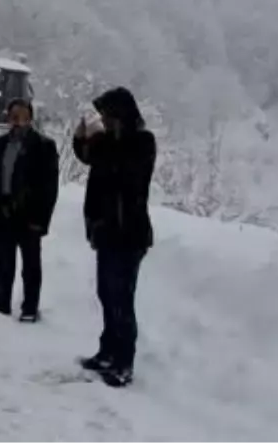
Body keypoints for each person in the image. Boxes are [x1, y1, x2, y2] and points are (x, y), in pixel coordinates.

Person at [72, 86, 156, 388]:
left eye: (109, 117)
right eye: (103, 118)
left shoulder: (142, 142)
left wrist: (105, 140)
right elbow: (88, 156)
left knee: (122, 299)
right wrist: (82, 137)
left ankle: (124, 362)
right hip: (106, 232)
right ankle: (107, 352)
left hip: (130, 235)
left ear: (123, 115)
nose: (105, 122)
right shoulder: (110, 142)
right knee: (106, 294)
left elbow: (127, 172)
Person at [0, 98, 60, 323]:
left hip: (29, 215)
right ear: (8, 118)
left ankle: (30, 307)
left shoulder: (44, 146)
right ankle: (2, 300)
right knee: (3, 261)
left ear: (30, 119)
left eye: (23, 117)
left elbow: (49, 188)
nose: (18, 122)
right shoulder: (2, 143)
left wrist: (42, 220)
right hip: (2, 211)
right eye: (14, 117)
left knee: (31, 265)